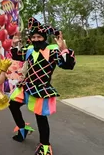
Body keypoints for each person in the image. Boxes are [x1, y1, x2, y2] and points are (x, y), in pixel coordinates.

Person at [8, 17, 76, 155]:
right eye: (34, 37)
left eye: (39, 36)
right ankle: (22, 129)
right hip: (26, 86)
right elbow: (17, 55)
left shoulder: (53, 50)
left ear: (44, 37)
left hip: (41, 88)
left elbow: (67, 65)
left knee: (40, 117)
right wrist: (14, 44)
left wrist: (63, 48)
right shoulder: (30, 49)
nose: (36, 39)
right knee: (13, 105)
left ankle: (45, 146)